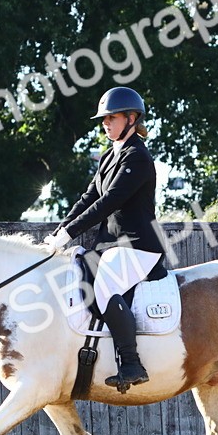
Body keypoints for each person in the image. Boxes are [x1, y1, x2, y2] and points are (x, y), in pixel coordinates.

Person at [44, 86, 166, 392]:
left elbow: (109, 201)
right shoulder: (110, 156)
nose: (105, 123)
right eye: (104, 119)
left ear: (131, 118)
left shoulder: (138, 157)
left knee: (105, 286)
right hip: (112, 246)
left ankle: (132, 363)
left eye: (111, 118)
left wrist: (71, 234)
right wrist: (60, 231)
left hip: (138, 246)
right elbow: (88, 198)